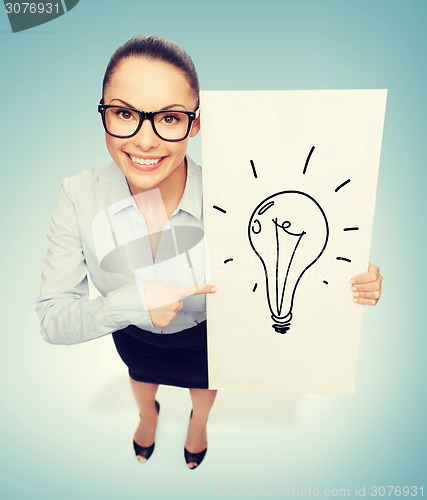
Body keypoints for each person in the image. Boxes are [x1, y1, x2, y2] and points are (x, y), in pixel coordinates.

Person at [34, 35, 383, 470]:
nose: (145, 141)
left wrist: (350, 277)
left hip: (206, 338)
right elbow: (52, 319)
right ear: (103, 113)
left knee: (204, 387)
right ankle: (147, 417)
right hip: (130, 332)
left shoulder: (238, 196)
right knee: (141, 378)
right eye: (124, 113)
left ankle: (198, 425)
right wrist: (134, 304)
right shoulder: (76, 197)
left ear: (195, 124)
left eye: (169, 117)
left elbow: (284, 255)